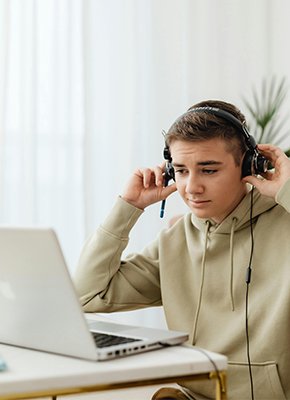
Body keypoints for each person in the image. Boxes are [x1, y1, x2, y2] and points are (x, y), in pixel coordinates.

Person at [74, 99, 290, 400]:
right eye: (181, 171)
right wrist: (128, 207)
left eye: (208, 170)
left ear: (249, 166)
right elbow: (87, 295)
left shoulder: (284, 223)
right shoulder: (175, 241)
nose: (191, 187)